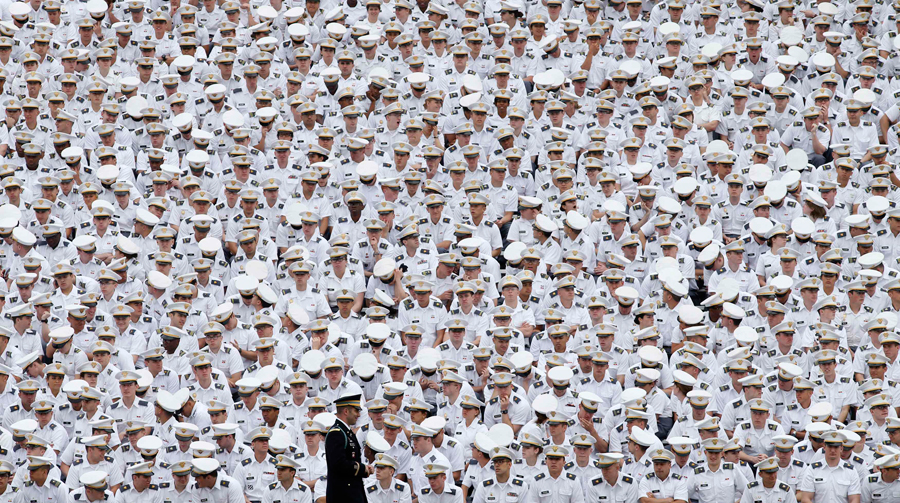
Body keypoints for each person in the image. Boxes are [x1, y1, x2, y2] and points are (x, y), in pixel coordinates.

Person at [324, 384, 369, 503]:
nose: (358, 415)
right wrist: (363, 468)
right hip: (342, 496)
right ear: (345, 411)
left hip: (351, 494)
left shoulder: (346, 432)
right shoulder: (337, 433)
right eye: (356, 410)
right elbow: (338, 464)